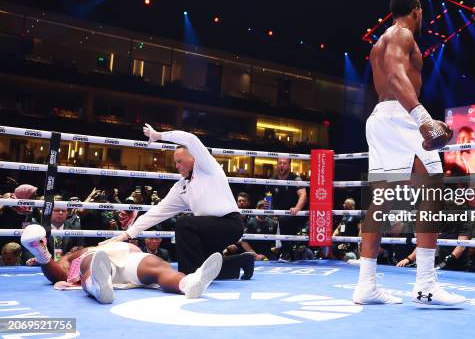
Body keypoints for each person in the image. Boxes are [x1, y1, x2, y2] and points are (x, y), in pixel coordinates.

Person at [354, 0, 464, 307]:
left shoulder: (381, 41)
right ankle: (425, 284)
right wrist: (422, 118)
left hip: (382, 117)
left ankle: (366, 285)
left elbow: (390, 75)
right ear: (416, 11)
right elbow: (395, 74)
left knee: (381, 201)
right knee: (431, 189)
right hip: (400, 117)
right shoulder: (401, 35)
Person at [101, 124, 244, 276]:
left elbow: (190, 139)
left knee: (184, 223)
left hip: (230, 225)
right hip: (207, 231)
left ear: (194, 158)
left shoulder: (207, 168)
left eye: (180, 161)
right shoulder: (181, 187)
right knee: (205, 263)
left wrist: (158, 136)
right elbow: (157, 212)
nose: (177, 166)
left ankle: (189, 276)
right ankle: (239, 264)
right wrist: (126, 234)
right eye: (175, 162)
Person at [20, 224, 222, 304]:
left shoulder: (112, 244)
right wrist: (42, 255)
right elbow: (59, 274)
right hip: (98, 261)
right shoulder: (79, 255)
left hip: (127, 256)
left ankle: (190, 283)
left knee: (156, 264)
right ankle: (98, 286)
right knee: (94, 261)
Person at [267, 158, 307, 261]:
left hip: (296, 214)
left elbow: (303, 195)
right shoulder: (272, 180)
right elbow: (268, 198)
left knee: (284, 220)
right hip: (279, 214)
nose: (282, 165)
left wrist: (297, 208)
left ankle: (286, 253)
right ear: (277, 165)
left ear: (289, 165)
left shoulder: (295, 179)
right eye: (280, 163)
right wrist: (269, 210)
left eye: (284, 163)